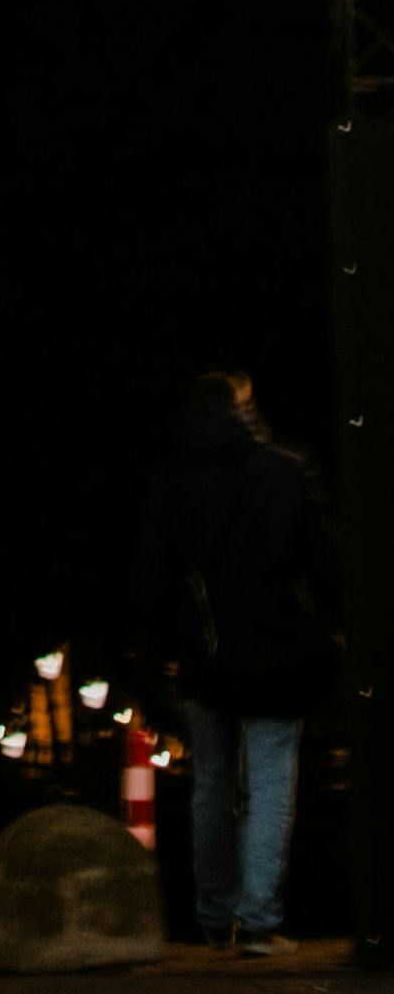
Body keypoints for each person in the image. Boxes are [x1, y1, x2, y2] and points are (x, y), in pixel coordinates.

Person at [135, 369, 340, 955]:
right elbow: (322, 564)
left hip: (205, 655)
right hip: (279, 652)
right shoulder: (285, 471)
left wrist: (165, 650)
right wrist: (328, 633)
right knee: (270, 781)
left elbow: (152, 579)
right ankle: (257, 919)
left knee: (211, 784)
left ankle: (213, 913)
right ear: (242, 408)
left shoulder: (170, 482)